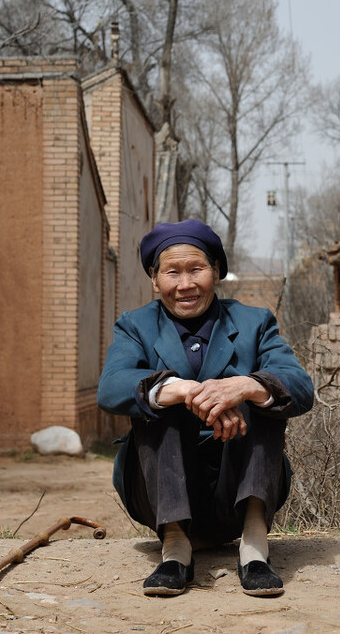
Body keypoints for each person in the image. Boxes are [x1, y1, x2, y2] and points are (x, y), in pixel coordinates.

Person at [98, 219, 313, 598]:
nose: (185, 284)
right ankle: (175, 547)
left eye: (196, 269)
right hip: (158, 490)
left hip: (238, 485)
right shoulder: (135, 325)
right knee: (155, 398)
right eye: (172, 272)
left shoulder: (253, 321)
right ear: (154, 278)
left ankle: (254, 544)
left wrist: (245, 386)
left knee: (264, 390)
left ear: (215, 272)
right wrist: (183, 390)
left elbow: (299, 386)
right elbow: (111, 386)